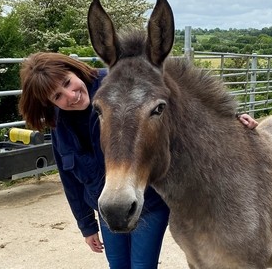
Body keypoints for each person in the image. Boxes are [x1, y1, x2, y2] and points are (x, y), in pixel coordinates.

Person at [18, 52, 258, 269]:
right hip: (108, 204)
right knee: (118, 265)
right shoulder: (59, 125)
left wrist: (231, 119)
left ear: (76, 71)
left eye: (68, 82)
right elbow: (68, 177)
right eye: (58, 96)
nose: (71, 95)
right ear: (49, 103)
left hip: (148, 202)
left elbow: (179, 106)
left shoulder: (118, 84)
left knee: (142, 266)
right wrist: (86, 226)